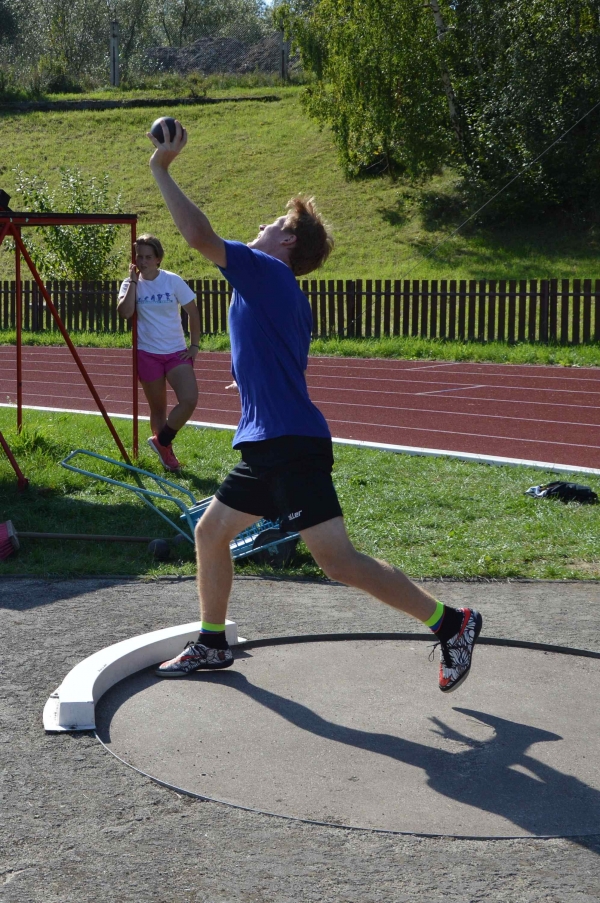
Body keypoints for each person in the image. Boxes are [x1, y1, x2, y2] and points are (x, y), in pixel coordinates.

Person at [148, 118, 482, 692]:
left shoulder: (269, 273)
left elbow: (200, 238)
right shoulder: (269, 289)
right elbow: (272, 359)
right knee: (222, 536)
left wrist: (162, 169)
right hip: (277, 440)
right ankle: (211, 641)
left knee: (336, 560)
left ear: (288, 244)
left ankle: (454, 622)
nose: (261, 224)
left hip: (286, 444)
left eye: (273, 222)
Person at [117, 233, 200, 472]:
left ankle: (161, 441)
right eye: (139, 257)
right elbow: (124, 313)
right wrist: (132, 282)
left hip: (176, 352)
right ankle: (166, 454)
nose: (143, 261)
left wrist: (194, 346)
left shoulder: (172, 281)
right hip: (148, 353)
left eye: (148, 257)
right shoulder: (129, 283)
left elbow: (193, 313)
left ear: (158, 258)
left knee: (189, 399)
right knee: (158, 409)